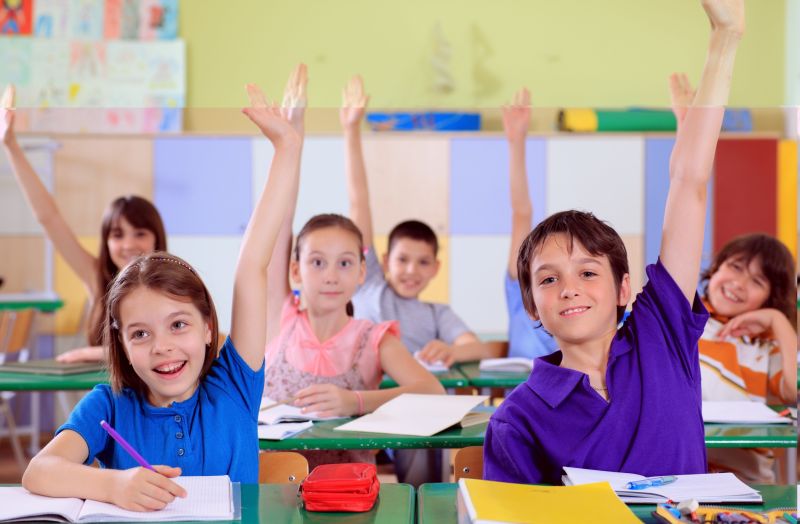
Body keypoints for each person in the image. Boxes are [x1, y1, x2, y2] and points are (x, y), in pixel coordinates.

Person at [484, 0, 744, 484]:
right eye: (548, 279)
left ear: (624, 288)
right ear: (532, 305)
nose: (570, 288)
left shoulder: (660, 333)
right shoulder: (516, 420)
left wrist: (724, 39)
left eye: (588, 272)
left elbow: (689, 180)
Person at [21, 71, 303, 511]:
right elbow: (38, 471)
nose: (163, 347)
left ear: (208, 328)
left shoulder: (233, 385)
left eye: (178, 325)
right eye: (140, 333)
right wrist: (113, 485)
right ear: (121, 342)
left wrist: (287, 148)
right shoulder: (109, 405)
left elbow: (252, 264)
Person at [264, 66, 445, 471]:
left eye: (345, 263)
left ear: (362, 273)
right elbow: (280, 220)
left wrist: (356, 401)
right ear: (295, 270)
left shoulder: (372, 338)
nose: (331, 275)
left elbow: (432, 391)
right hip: (275, 491)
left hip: (350, 491)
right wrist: (292, 136)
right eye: (317, 262)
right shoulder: (280, 316)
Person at [1, 84, 166, 364]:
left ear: (156, 238)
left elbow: (166, 348)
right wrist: (11, 146)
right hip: (103, 391)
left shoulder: (171, 284)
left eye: (139, 233)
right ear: (106, 241)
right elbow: (48, 217)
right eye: (117, 235)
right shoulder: (97, 276)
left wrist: (93, 353)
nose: (128, 244)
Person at [697, 233, 797, 482]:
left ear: (770, 297)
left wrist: (778, 321)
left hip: (746, 482)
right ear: (716, 267)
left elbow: (791, 393)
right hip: (679, 475)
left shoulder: (766, 345)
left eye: (757, 281)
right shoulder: (684, 320)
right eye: (735, 267)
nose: (739, 284)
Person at [501, 87, 558, 359]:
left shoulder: (579, 318)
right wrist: (516, 143)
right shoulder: (521, 295)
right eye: (547, 275)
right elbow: (521, 212)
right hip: (520, 387)